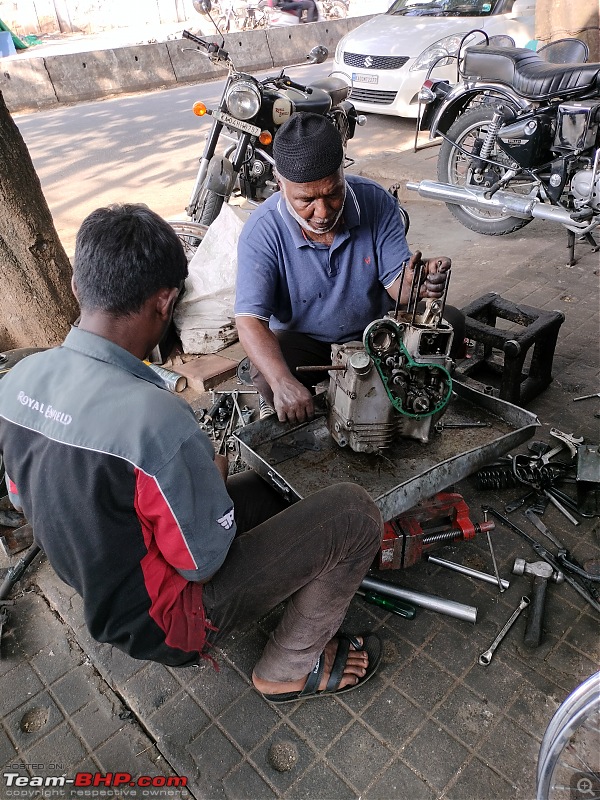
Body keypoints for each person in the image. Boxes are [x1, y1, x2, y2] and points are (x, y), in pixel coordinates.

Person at [0, 204, 383, 703]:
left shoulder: (18, 382)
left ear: (77, 286)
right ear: (165, 301)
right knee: (352, 513)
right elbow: (202, 563)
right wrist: (208, 478)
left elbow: (25, 496)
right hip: (165, 624)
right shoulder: (156, 421)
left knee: (272, 496)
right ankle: (287, 669)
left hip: (102, 585)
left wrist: (195, 488)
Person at [235, 112, 464, 424]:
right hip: (308, 341)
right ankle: (286, 402)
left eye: (332, 193)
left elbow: (397, 286)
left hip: (378, 334)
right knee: (266, 371)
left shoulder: (376, 201)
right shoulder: (262, 231)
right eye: (306, 200)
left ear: (343, 171)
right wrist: (281, 381)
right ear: (280, 182)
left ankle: (409, 408)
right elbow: (249, 320)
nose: (322, 211)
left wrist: (415, 282)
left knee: (450, 322)